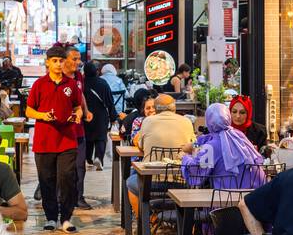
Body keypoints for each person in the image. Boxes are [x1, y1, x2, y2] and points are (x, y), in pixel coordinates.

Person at [25, 44, 82, 232]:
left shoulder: (71, 84)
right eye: (54, 61)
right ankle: (50, 217)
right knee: (46, 180)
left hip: (67, 139)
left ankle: (66, 218)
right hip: (44, 141)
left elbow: (77, 106)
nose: (58, 64)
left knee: (67, 178)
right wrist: (42, 115)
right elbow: (29, 110)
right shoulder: (39, 85)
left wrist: (78, 114)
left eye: (61, 61)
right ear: (48, 63)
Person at [126, 94, 195, 225]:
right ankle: (181, 224)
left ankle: (147, 222)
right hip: (181, 182)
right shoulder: (186, 122)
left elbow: (140, 145)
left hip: (151, 183)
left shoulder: (147, 122)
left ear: (156, 110)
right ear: (174, 109)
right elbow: (193, 146)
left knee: (130, 183)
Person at [181, 102, 264, 189]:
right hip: (254, 193)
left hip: (226, 196)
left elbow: (197, 172)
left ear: (208, 121)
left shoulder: (211, 147)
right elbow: (201, 143)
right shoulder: (239, 136)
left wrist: (185, 158)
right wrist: (195, 146)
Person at [64, 47, 94, 209]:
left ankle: (78, 196)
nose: (78, 62)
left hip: (78, 129)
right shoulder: (57, 78)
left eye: (79, 58)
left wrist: (87, 111)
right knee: (61, 167)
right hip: (61, 130)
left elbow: (81, 94)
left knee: (80, 165)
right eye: (74, 59)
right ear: (65, 60)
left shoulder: (79, 76)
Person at [82, 60, 116, 171]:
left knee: (88, 138)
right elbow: (109, 102)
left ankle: (88, 159)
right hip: (101, 115)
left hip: (85, 115)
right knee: (100, 138)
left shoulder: (81, 83)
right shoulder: (103, 83)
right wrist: (113, 117)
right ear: (97, 71)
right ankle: (98, 158)